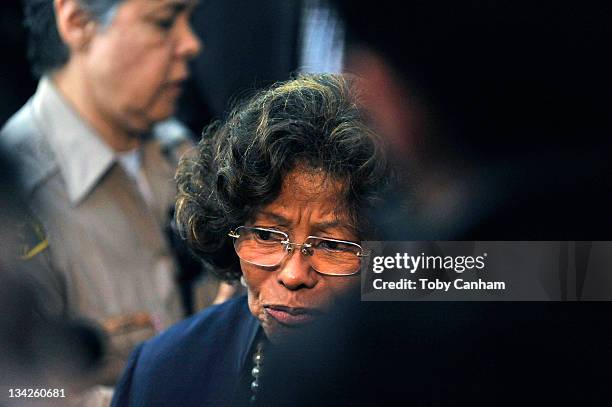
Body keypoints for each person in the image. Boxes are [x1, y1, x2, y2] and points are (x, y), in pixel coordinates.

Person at [110, 73, 391, 406]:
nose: (293, 275)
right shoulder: (164, 371)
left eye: (332, 245)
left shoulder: (448, 371)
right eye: (266, 235)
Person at [0, 0, 204, 392]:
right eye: (164, 22)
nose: (191, 43)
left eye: (189, 20)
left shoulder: (183, 154)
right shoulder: (17, 201)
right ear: (78, 22)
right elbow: (21, 391)